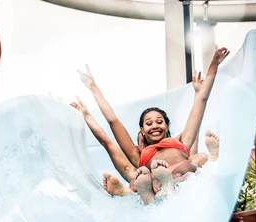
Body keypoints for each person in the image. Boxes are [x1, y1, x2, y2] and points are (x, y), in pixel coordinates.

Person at [71, 46, 229, 204]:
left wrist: (214, 64)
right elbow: (111, 126)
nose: (155, 125)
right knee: (143, 176)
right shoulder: (138, 155)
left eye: (160, 122)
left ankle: (208, 161)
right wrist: (93, 90)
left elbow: (201, 102)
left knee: (193, 162)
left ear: (166, 126)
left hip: (183, 180)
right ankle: (152, 190)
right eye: (149, 123)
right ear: (142, 130)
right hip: (157, 185)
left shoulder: (181, 143)